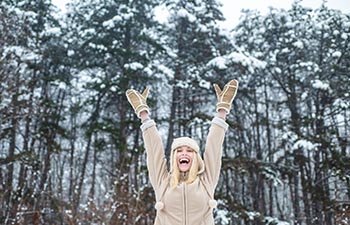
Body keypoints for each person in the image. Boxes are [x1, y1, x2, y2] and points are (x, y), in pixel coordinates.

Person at [126, 79, 238, 225]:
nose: (184, 153)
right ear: (174, 157)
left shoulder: (206, 180)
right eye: (179, 150)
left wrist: (222, 111)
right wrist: (144, 115)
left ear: (196, 157)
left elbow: (214, 148)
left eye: (189, 151)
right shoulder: (163, 182)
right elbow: (154, 151)